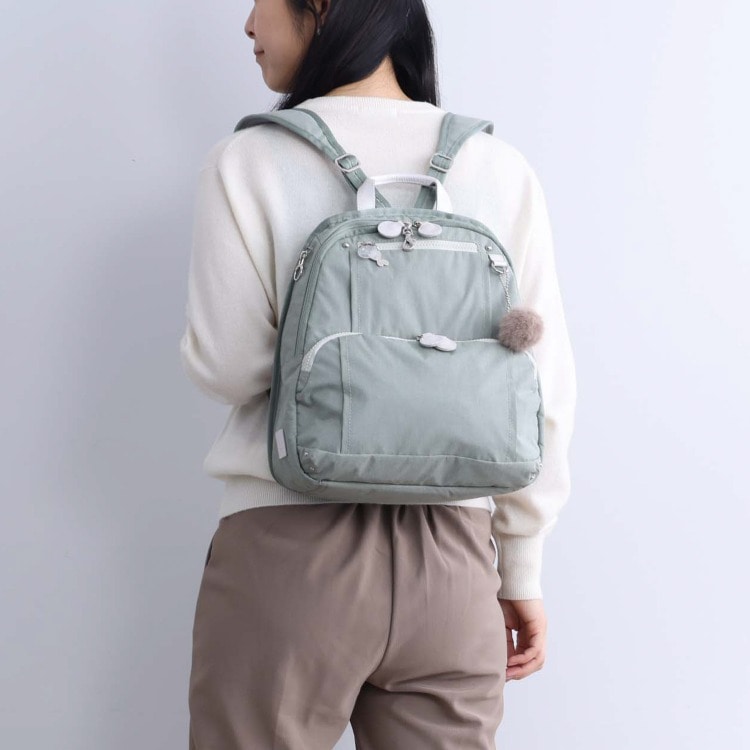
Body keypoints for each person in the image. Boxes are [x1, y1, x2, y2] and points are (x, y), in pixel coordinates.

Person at [180, 1, 577, 748]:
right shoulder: (497, 167)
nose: (249, 24)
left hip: (287, 549)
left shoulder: (249, 160)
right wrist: (521, 568)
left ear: (322, 6)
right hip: (456, 560)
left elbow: (226, 366)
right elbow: (542, 391)